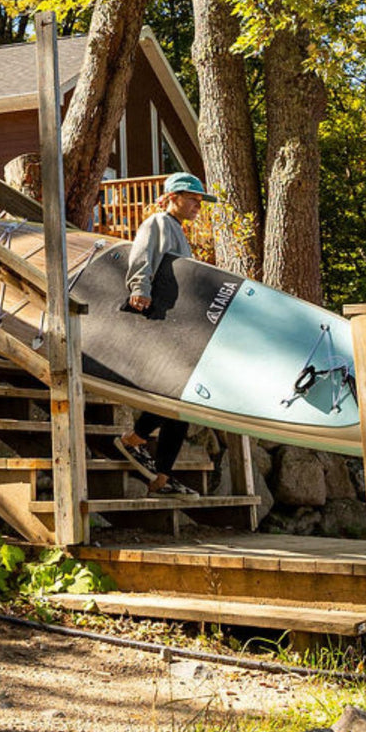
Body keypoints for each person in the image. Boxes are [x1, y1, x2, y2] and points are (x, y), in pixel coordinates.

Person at [114, 171, 216, 496]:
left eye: (200, 201)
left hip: (175, 324)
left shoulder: (179, 232)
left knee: (182, 403)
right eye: (193, 199)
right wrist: (139, 288)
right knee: (174, 395)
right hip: (155, 319)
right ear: (173, 197)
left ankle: (160, 476)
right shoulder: (159, 222)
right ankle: (134, 440)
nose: (198, 206)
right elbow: (142, 255)